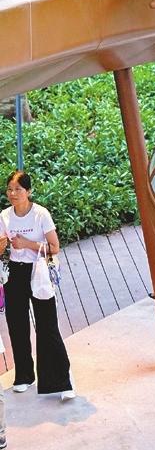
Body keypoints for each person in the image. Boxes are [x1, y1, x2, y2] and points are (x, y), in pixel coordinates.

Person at [0, 170, 74, 399]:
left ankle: (61, 382)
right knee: (17, 325)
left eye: (18, 189)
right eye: (10, 189)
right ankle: (23, 376)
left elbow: (55, 247)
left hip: (39, 272)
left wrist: (27, 244)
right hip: (15, 273)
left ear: (29, 191)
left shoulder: (41, 214)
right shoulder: (4, 216)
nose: (13, 193)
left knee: (47, 325)